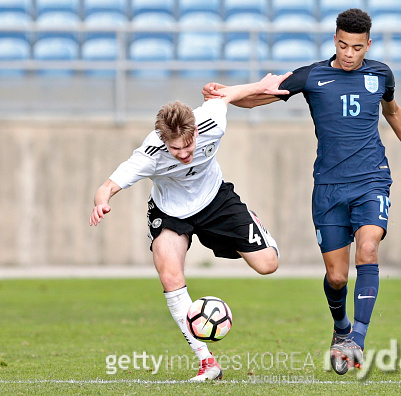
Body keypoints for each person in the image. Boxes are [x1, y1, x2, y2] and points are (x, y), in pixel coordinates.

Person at [202, 8, 401, 375]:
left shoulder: (381, 75)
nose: (349, 53)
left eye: (357, 48)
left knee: (369, 247)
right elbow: (257, 98)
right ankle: (341, 327)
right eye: (343, 45)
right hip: (328, 188)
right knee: (337, 277)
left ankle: (356, 339)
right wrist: (224, 96)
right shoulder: (313, 76)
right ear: (335, 41)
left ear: (368, 45)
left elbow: (393, 112)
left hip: (371, 180)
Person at [89, 72, 290, 381]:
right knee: (169, 274)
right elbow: (107, 186)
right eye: (175, 150)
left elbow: (224, 97)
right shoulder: (149, 155)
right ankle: (207, 362)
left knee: (268, 264)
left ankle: (254, 224)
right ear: (163, 141)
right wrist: (101, 203)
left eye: (188, 145)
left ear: (196, 130)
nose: (184, 154)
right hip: (171, 213)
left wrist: (261, 87)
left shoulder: (212, 121)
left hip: (215, 200)